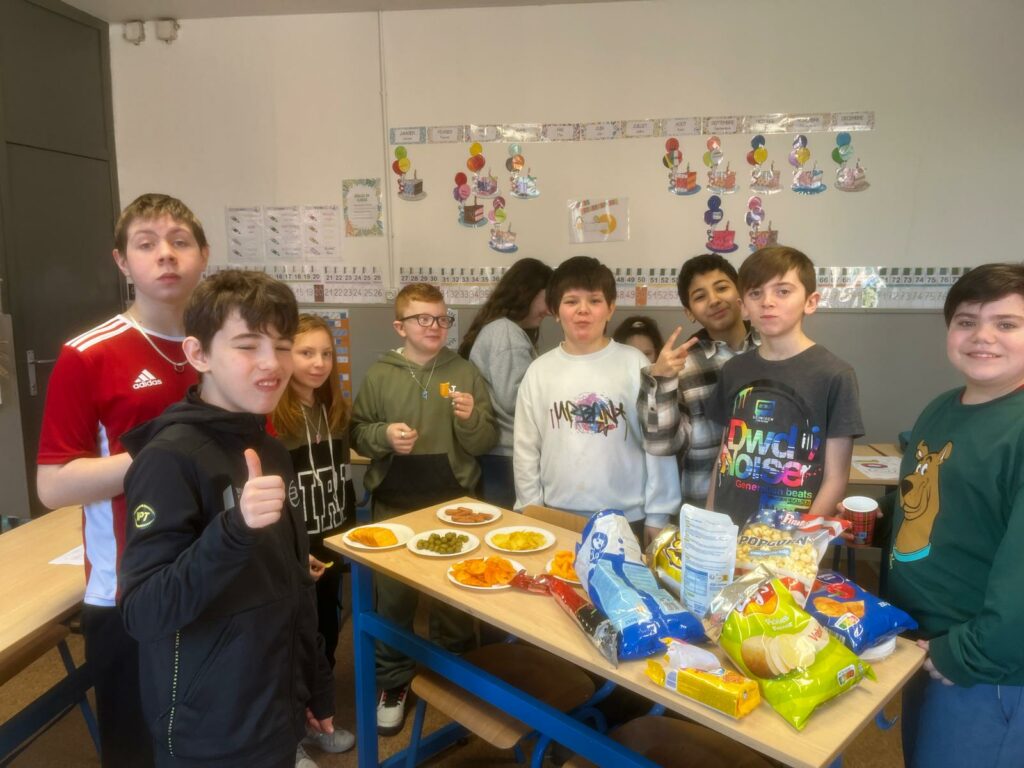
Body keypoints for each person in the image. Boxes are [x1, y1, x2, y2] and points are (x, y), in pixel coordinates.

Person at [118, 270, 336, 768]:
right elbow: (144, 610)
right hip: (209, 732)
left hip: (274, 710)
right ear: (199, 354)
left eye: (283, 346)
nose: (272, 363)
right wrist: (234, 531)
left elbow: (293, 584)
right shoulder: (169, 459)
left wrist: (315, 682)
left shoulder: (269, 450)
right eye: (247, 346)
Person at [35, 193, 209, 767]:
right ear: (122, 262)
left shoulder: (219, 347)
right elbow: (54, 485)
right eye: (147, 243)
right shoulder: (87, 355)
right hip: (128, 590)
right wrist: (166, 457)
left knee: (214, 736)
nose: (166, 255)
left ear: (203, 256)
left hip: (215, 573)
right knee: (138, 748)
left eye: (180, 242)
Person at [884, 264, 1024, 767]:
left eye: (1006, 324)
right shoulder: (942, 407)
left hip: (985, 669)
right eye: (966, 321)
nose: (982, 336)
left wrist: (966, 655)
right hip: (922, 643)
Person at [351, 282, 498, 736]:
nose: (435, 326)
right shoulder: (381, 374)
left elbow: (485, 441)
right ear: (401, 326)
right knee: (394, 601)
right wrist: (383, 437)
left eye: (442, 318)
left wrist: (469, 420)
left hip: (455, 505)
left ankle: (456, 678)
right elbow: (357, 433)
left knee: (456, 599)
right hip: (395, 504)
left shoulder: (464, 372)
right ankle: (393, 682)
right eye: (423, 318)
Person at [514, 256, 680, 544]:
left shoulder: (635, 363)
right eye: (571, 301)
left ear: (610, 308)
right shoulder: (539, 371)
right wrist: (531, 508)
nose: (583, 310)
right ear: (555, 310)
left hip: (627, 516)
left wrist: (658, 513)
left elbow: (656, 442)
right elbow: (526, 448)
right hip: (555, 514)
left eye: (594, 300)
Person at [707, 245, 863, 525]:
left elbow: (836, 478)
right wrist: (710, 520)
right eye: (756, 293)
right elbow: (724, 457)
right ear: (743, 307)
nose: (767, 302)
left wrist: (800, 539)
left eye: (783, 291)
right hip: (729, 529)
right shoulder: (734, 369)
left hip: (794, 534)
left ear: (810, 302)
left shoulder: (834, 375)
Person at [270, 313, 356, 757]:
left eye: (326, 353)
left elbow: (342, 475)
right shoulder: (272, 417)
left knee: (325, 634)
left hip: (332, 541)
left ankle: (318, 718)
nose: (318, 363)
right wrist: (291, 549)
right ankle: (289, 740)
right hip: (294, 548)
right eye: (306, 353)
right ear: (286, 355)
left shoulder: (334, 411)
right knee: (290, 641)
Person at [638, 254, 759, 507]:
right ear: (689, 312)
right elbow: (662, 445)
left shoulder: (775, 348)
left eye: (722, 288)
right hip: (705, 507)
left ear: (740, 292)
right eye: (700, 296)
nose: (714, 300)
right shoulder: (682, 366)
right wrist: (661, 380)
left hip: (772, 503)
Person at [458, 258, 553, 508]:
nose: (550, 310)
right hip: (505, 455)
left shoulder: (500, 329)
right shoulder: (506, 332)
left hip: (499, 454)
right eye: (548, 298)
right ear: (527, 292)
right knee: (511, 526)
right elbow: (514, 399)